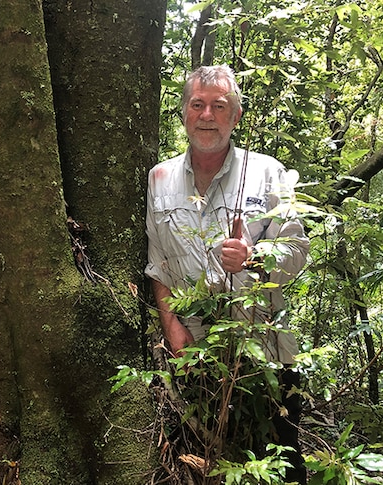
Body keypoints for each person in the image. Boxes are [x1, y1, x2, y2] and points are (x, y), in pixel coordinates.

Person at [145, 65, 310, 483]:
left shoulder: (267, 172)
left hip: (265, 354)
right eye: (197, 104)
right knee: (201, 468)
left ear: (235, 116)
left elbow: (298, 251)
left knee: (280, 469)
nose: (207, 115)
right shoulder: (159, 179)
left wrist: (254, 257)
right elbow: (157, 264)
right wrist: (172, 329)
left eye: (219, 106)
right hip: (194, 357)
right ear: (183, 112)